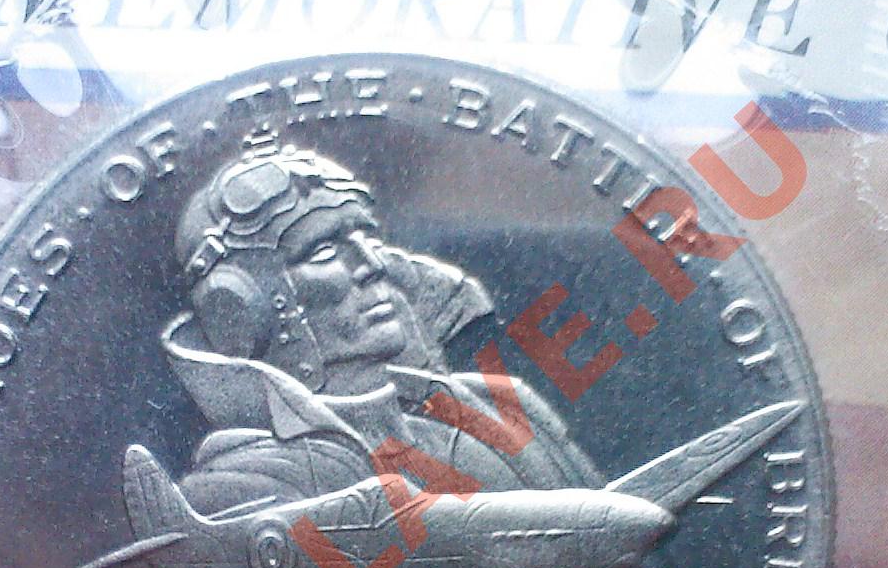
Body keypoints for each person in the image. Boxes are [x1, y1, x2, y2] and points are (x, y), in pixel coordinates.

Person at [158, 144, 600, 517]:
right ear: (242, 309)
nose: (374, 265)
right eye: (323, 251)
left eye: (368, 239)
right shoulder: (240, 489)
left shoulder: (502, 406)